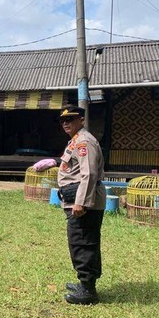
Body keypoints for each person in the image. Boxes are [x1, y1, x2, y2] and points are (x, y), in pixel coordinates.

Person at [54, 105, 106, 305]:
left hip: (84, 202)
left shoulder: (84, 141)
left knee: (83, 242)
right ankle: (84, 282)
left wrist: (81, 202)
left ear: (81, 120)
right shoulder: (76, 140)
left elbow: (90, 174)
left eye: (71, 119)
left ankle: (88, 290)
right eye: (63, 121)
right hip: (76, 198)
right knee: (80, 240)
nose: (66, 123)